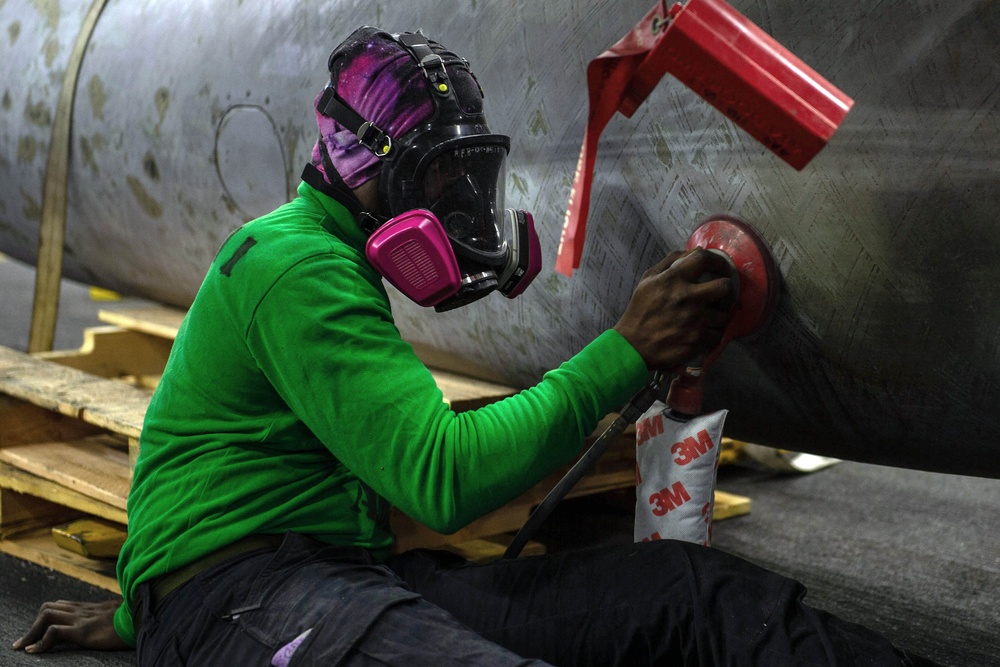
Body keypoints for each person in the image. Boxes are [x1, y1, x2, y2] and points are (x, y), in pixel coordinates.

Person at [14, 26, 937, 666]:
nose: (463, 203)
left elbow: (202, 452)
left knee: (685, 594)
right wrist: (624, 348)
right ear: (371, 167)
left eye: (469, 172)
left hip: (326, 576)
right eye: (442, 174)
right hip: (243, 596)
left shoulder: (327, 264)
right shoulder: (292, 268)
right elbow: (440, 477)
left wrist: (143, 605)